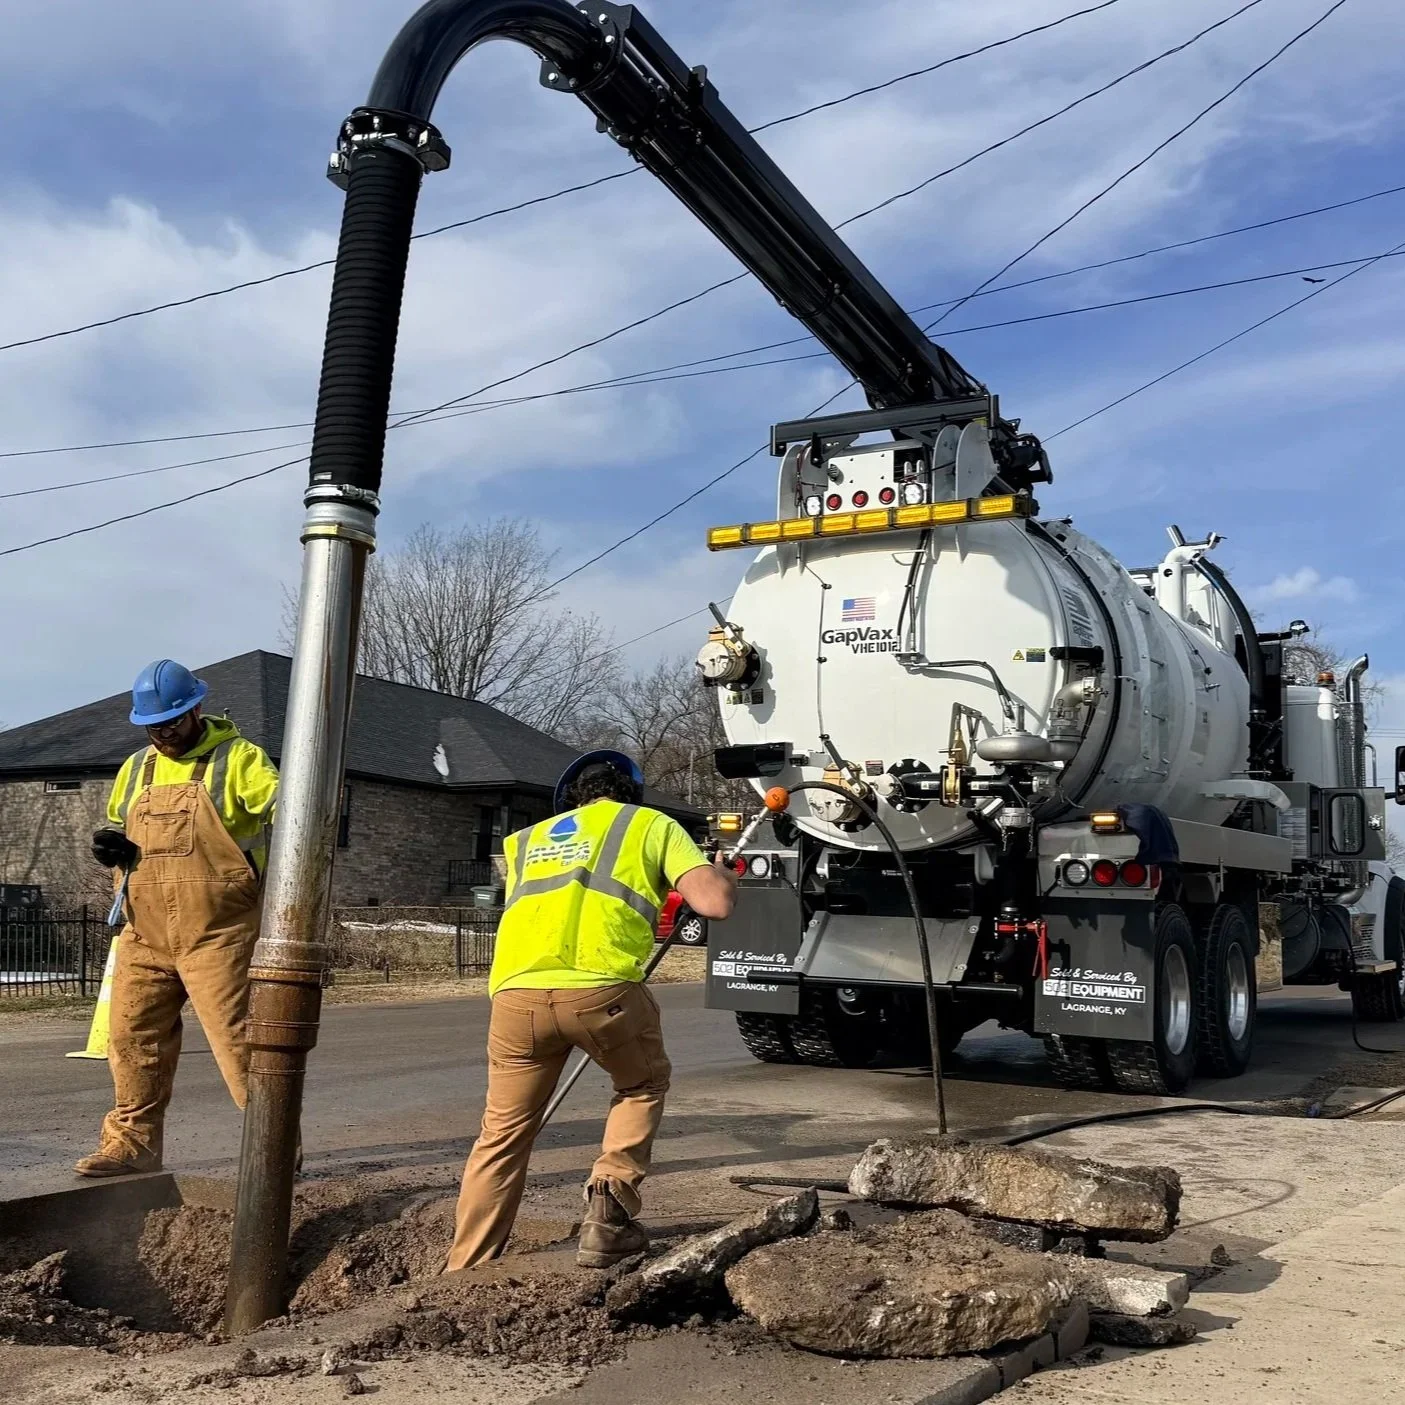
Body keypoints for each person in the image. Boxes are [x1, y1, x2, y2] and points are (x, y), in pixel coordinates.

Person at [446, 750, 739, 1271]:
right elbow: (713, 904)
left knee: (502, 1135)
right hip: (602, 991)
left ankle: (464, 1266)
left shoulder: (526, 840)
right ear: (632, 793)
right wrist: (722, 876)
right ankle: (608, 1207)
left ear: (571, 800)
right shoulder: (648, 823)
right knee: (641, 1085)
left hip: (516, 996)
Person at [75, 659, 279, 1177]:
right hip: (144, 931)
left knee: (240, 1044)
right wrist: (113, 851)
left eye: (172, 721)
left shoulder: (240, 760)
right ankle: (131, 1147)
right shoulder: (137, 767)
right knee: (131, 1039)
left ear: (196, 710)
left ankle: (273, 1150)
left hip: (219, 933)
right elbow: (124, 833)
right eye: (153, 725)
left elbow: (294, 814)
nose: (163, 733)